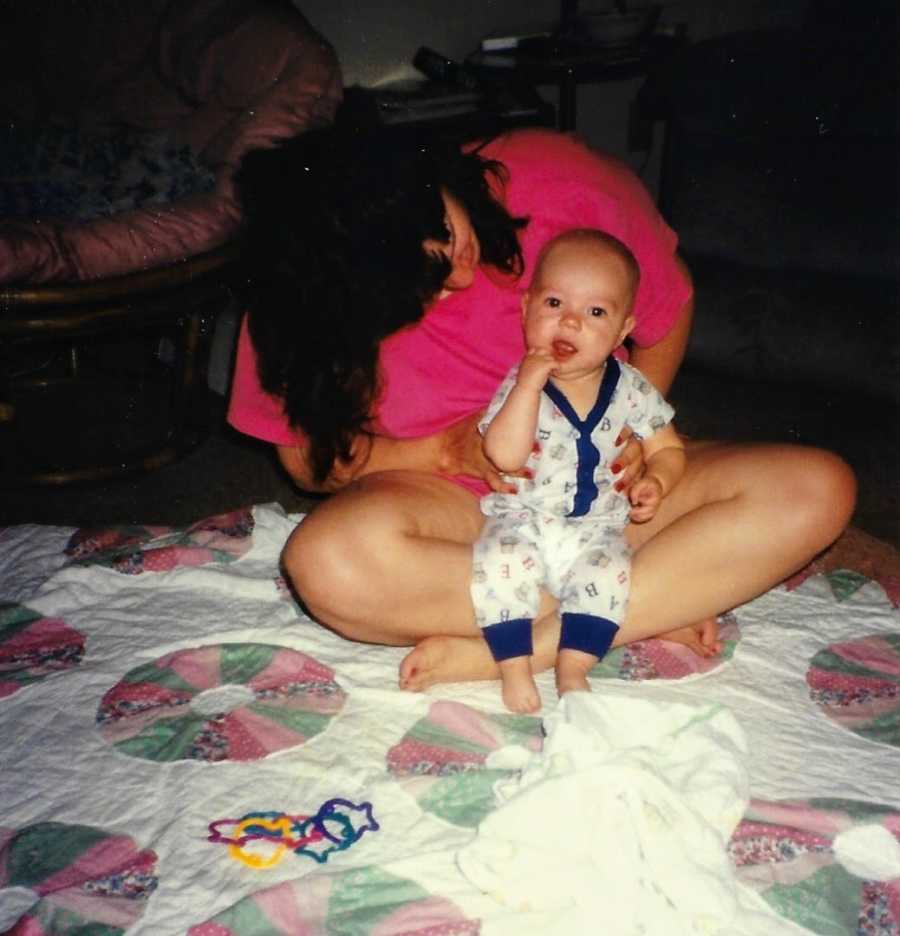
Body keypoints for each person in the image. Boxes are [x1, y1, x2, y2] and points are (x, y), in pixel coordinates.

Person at [227, 118, 856, 694]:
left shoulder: (558, 178)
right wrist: (442, 449)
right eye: (419, 289)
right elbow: (310, 466)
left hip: (605, 495)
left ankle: (529, 646)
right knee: (326, 563)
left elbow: (668, 305)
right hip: (450, 503)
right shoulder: (296, 302)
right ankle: (647, 599)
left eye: (447, 234)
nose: (462, 277)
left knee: (818, 488)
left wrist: (636, 432)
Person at [473, 229, 685, 713]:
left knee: (610, 574)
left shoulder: (630, 388)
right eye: (554, 302)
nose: (570, 321)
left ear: (623, 329)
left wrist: (658, 479)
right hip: (524, 516)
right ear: (527, 308)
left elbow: (669, 449)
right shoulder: (522, 380)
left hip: (596, 525)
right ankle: (513, 666)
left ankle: (573, 667)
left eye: (595, 312)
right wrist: (527, 387)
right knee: (497, 565)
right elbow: (503, 455)